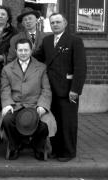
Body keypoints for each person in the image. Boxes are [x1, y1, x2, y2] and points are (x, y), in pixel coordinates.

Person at [34, 13, 87, 162]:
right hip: (50, 89)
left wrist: (75, 90)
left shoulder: (74, 41)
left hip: (67, 90)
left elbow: (80, 67)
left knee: (68, 123)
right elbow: (37, 57)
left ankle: (68, 152)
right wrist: (22, 55)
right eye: (52, 23)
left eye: (58, 22)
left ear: (65, 23)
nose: (55, 25)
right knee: (55, 122)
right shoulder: (47, 40)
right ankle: (57, 150)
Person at [0, 38, 53, 161]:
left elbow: (46, 89)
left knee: (44, 124)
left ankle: (38, 146)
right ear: (16, 51)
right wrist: (7, 104)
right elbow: (5, 89)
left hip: (35, 105)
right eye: (20, 50)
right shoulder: (7, 69)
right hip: (16, 105)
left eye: (26, 50)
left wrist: (42, 105)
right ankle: (15, 145)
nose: (23, 53)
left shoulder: (41, 67)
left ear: (31, 50)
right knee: (7, 120)